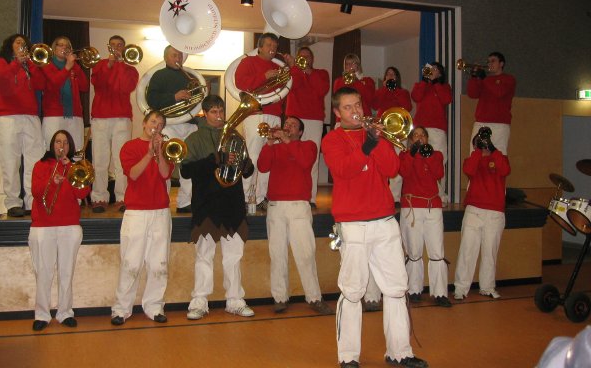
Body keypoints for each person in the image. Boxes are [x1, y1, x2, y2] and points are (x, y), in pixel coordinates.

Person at [322, 86, 428, 368]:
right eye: (348, 107)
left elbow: (392, 169)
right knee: (352, 291)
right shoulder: (331, 140)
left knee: (396, 288)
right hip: (352, 224)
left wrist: (377, 141)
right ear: (337, 112)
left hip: (384, 220)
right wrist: (367, 146)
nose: (355, 111)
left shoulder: (376, 134)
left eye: (358, 104)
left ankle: (399, 352)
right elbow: (343, 170)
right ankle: (348, 356)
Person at [180, 95, 256, 320]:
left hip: (232, 203)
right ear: (204, 113)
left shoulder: (235, 136)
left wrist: (243, 163)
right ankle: (199, 302)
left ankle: (235, 300)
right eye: (214, 111)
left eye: (221, 110)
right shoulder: (194, 138)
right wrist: (215, 159)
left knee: (234, 255)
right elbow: (185, 171)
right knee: (204, 255)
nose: (219, 115)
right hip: (207, 203)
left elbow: (248, 171)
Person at [257, 115, 333, 315]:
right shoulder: (274, 147)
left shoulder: (308, 146)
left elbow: (305, 162)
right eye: (286, 124)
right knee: (277, 255)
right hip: (275, 206)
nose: (287, 127)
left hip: (299, 206)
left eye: (293, 125)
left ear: (300, 132)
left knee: (306, 254)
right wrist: (269, 143)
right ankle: (280, 298)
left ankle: (314, 298)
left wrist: (287, 141)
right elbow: (262, 166)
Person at [110, 110, 173, 325]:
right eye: (153, 121)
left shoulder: (165, 148)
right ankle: (121, 309)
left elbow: (165, 174)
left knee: (159, 263)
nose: (156, 126)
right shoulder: (129, 147)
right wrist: (148, 154)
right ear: (144, 123)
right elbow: (134, 174)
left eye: (161, 124)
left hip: (160, 211)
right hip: (136, 212)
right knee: (131, 262)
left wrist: (159, 153)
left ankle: (155, 307)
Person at [28, 130, 90, 331]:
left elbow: (83, 192)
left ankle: (65, 313)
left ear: (70, 147)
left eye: (65, 142)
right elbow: (36, 192)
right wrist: (51, 181)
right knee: (43, 273)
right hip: (42, 226)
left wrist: (71, 169)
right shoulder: (40, 165)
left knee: (66, 272)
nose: (61, 146)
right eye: (57, 142)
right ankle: (42, 314)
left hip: (69, 226)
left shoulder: (74, 167)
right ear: (52, 145)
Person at [453, 126, 511, 301]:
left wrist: (493, 149)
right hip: (474, 211)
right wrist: (478, 151)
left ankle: (487, 287)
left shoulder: (500, 157)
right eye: (480, 142)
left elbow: (505, 170)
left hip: (495, 213)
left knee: (490, 253)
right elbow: (469, 170)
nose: (483, 144)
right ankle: (461, 288)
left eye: (485, 141)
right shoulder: (472, 159)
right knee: (467, 251)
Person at [0, 33, 46, 217]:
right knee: (10, 161)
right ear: (10, 45)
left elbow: (41, 84)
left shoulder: (29, 65)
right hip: (8, 117)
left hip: (30, 116)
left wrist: (30, 64)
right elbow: (1, 80)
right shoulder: (0, 62)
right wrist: (16, 63)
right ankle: (13, 202)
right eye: (18, 42)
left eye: (24, 43)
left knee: (34, 161)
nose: (22, 45)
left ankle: (32, 202)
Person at [399, 126, 451, 308]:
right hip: (412, 207)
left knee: (437, 251)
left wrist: (426, 156)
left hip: (432, 207)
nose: (420, 138)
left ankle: (440, 293)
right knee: (414, 251)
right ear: (411, 140)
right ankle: (414, 290)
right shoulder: (405, 155)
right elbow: (404, 172)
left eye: (423, 135)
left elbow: (438, 174)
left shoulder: (436, 155)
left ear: (428, 139)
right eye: (416, 135)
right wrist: (413, 154)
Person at [145, 45, 199, 213]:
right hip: (168, 124)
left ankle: (185, 202)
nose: (178, 58)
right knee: (165, 161)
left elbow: (197, 100)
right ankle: (162, 200)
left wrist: (201, 94)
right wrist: (174, 97)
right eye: (174, 55)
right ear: (166, 57)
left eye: (180, 56)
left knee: (190, 163)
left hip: (189, 123)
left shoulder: (190, 76)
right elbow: (152, 99)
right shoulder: (159, 75)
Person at [234, 33, 284, 211]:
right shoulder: (248, 62)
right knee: (253, 157)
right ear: (260, 47)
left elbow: (284, 89)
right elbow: (240, 83)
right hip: (255, 114)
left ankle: (262, 197)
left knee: (269, 157)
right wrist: (264, 76)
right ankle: (246, 197)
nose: (273, 48)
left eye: (275, 46)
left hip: (274, 114)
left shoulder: (278, 67)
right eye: (269, 45)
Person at [90, 35, 139, 212]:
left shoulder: (131, 69)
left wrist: (120, 64)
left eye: (119, 45)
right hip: (100, 118)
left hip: (122, 119)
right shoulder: (99, 65)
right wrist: (110, 64)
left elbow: (126, 87)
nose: (116, 48)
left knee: (121, 161)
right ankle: (99, 197)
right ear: (108, 47)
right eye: (113, 45)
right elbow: (97, 83)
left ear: (124, 48)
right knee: (99, 160)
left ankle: (122, 197)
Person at [284, 46, 330, 207]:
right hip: (294, 118)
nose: (305, 59)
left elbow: (322, 90)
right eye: (301, 56)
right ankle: (291, 194)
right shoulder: (293, 72)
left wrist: (308, 71)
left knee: (313, 159)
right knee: (290, 156)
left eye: (307, 56)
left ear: (312, 59)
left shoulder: (321, 73)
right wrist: (296, 68)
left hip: (314, 119)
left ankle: (310, 198)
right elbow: (293, 85)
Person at [411, 62, 452, 204]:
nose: (431, 71)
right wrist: (424, 81)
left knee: (438, 162)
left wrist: (435, 83)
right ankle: (421, 193)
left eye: (435, 69)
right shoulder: (421, 85)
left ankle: (440, 196)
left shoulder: (444, 87)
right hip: (421, 129)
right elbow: (415, 96)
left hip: (437, 129)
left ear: (440, 73)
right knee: (419, 160)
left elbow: (446, 99)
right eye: (430, 69)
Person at [41, 36, 89, 151]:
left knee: (76, 149)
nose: (64, 48)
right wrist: (67, 67)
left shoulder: (74, 66)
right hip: (54, 114)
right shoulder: (47, 65)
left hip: (75, 114)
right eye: (61, 45)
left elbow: (84, 86)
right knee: (53, 149)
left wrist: (74, 65)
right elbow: (55, 83)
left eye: (67, 46)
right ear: (54, 48)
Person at [372, 66, 412, 204]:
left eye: (393, 74)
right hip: (383, 128)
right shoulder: (381, 91)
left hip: (399, 129)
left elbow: (407, 107)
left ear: (397, 78)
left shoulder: (403, 92)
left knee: (397, 161)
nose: (390, 76)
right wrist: (384, 89)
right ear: (384, 78)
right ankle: (381, 195)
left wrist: (394, 90)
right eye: (388, 74)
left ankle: (395, 198)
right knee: (382, 161)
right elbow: (375, 104)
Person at [467, 52, 516, 155]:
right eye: (488, 62)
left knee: (499, 155)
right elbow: (472, 94)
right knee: (475, 154)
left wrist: (484, 79)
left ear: (501, 64)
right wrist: (474, 77)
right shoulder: (486, 80)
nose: (489, 64)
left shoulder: (508, 79)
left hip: (500, 124)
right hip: (481, 122)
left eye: (493, 61)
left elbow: (499, 92)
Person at [332, 54, 375, 122]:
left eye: (353, 63)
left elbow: (369, 99)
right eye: (347, 64)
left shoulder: (368, 81)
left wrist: (356, 79)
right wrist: (347, 78)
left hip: (363, 119)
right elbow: (338, 98)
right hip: (343, 119)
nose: (350, 66)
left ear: (358, 65)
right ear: (345, 66)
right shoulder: (339, 81)